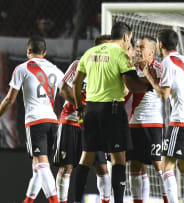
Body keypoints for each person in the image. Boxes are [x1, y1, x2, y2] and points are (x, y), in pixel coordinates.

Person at [72, 22, 148, 203]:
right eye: (129, 39)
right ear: (125, 37)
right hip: (112, 112)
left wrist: (79, 107)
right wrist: (150, 85)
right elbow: (131, 85)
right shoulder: (121, 55)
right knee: (118, 160)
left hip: (91, 110)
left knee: (86, 159)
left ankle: (75, 200)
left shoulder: (89, 53)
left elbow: (75, 83)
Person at [0, 36, 64, 203]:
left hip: (36, 122)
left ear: (28, 51)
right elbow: (67, 92)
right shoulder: (55, 69)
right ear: (45, 53)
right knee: (38, 167)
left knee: (42, 165)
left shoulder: (22, 68)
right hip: (52, 122)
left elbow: (9, 100)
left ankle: (55, 201)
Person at [143, 29, 184, 203]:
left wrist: (148, 75)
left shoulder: (168, 63)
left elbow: (164, 94)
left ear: (160, 44)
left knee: (166, 166)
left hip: (182, 120)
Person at [53, 35, 112, 203]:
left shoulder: (110, 70)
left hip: (95, 126)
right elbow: (63, 90)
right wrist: (81, 106)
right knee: (66, 168)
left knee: (102, 168)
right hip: (71, 121)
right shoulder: (79, 64)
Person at [126, 36, 168, 203]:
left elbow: (144, 87)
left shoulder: (159, 69)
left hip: (153, 124)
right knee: (135, 165)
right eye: (136, 47)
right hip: (133, 123)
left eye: (141, 47)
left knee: (160, 166)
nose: (137, 50)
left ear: (152, 51)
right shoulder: (130, 69)